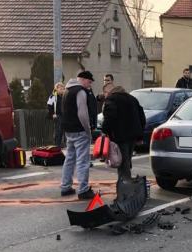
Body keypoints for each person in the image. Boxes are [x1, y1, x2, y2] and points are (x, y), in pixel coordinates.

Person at [60, 71, 95, 200]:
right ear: (83, 79)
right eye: (89, 82)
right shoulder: (80, 92)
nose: (89, 85)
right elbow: (82, 114)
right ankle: (83, 190)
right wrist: (88, 130)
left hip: (68, 130)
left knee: (69, 159)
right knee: (83, 160)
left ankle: (65, 186)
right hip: (80, 130)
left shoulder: (67, 91)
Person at [102, 86, 145, 181]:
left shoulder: (112, 99)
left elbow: (109, 117)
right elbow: (142, 117)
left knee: (122, 162)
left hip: (120, 136)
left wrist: (105, 130)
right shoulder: (133, 99)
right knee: (127, 160)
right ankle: (126, 182)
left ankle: (125, 186)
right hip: (133, 135)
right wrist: (140, 134)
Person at [47, 82, 65, 147]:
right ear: (56, 88)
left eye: (63, 89)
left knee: (63, 130)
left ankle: (61, 144)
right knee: (58, 130)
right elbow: (49, 106)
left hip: (64, 116)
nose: (62, 90)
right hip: (57, 115)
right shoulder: (53, 96)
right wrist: (52, 114)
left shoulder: (63, 96)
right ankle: (57, 144)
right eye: (61, 88)